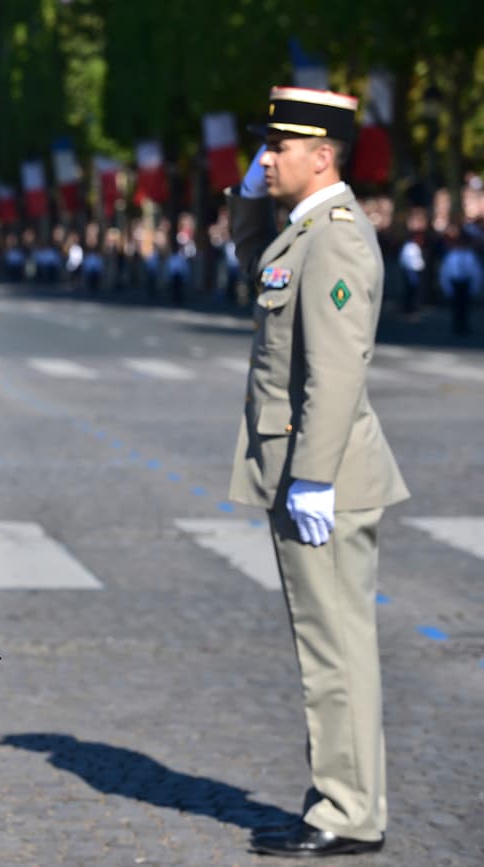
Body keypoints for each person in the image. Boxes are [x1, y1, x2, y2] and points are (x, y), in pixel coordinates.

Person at [226, 86, 409, 858]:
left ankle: (346, 809)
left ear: (323, 155)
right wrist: (243, 201)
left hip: (320, 468)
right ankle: (343, 795)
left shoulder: (333, 237)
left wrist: (313, 477)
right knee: (331, 645)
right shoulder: (301, 231)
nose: (266, 160)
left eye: (278, 148)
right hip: (307, 462)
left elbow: (334, 371)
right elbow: (250, 266)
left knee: (334, 650)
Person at [438, 227, 481, 335]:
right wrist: (447, 287)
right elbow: (445, 273)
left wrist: (474, 287)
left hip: (466, 283)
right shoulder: (452, 256)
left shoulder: (470, 256)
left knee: (465, 308)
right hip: (455, 284)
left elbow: (476, 272)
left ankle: (464, 326)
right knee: (456, 308)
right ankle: (457, 327)